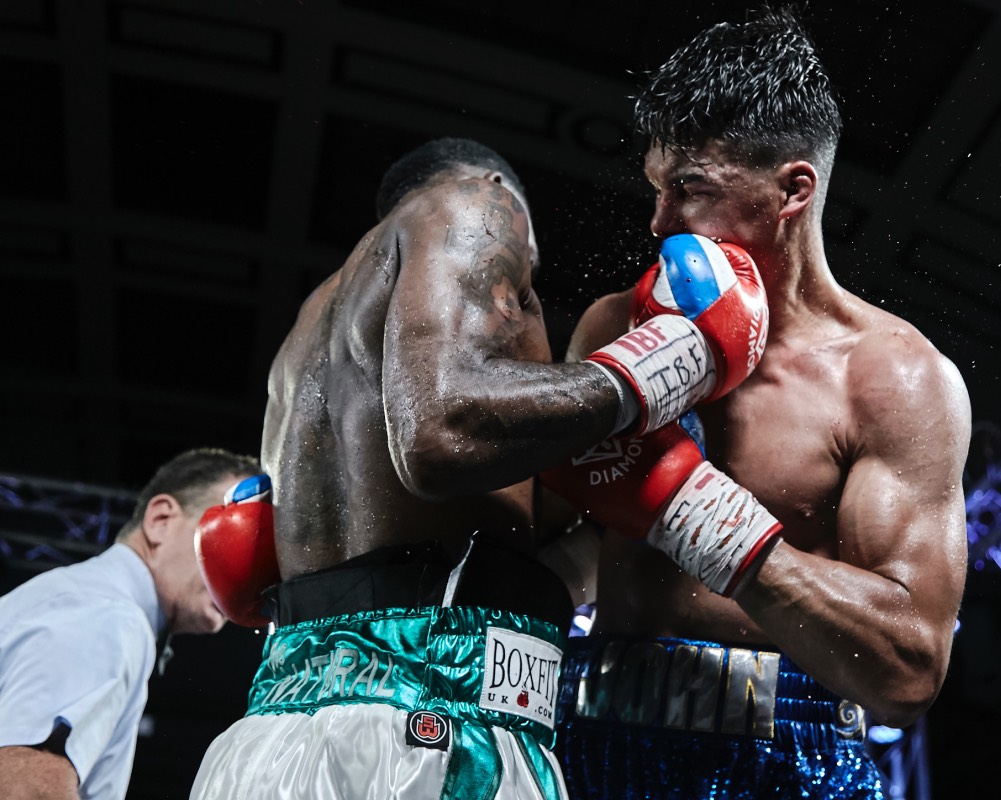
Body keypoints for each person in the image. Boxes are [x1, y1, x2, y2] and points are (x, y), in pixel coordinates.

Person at [189, 137, 772, 799]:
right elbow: (440, 436)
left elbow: (469, 539)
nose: (519, 291)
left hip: (270, 736)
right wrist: (663, 366)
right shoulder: (473, 202)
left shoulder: (308, 334)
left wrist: (637, 489)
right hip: (430, 734)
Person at [545, 7, 973, 799]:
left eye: (690, 188)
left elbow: (909, 667)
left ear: (792, 190)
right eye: (656, 188)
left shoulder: (891, 378)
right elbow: (558, 533)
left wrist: (695, 513)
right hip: (592, 734)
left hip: (789, 758)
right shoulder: (618, 327)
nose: (660, 221)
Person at [0, 447, 259, 800]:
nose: (244, 567)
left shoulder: (85, 600)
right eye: (234, 531)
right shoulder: (106, 614)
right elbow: (25, 789)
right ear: (160, 520)